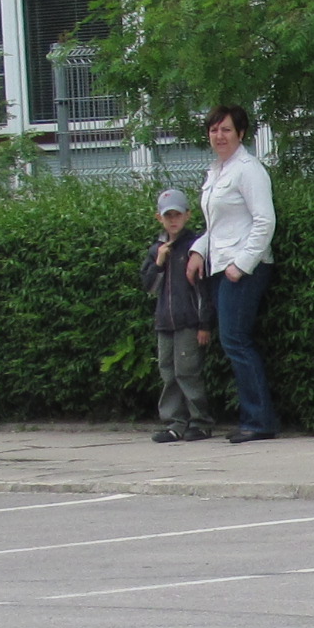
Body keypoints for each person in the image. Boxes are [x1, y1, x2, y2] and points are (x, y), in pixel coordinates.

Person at [192, 105, 277, 443]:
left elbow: (265, 221)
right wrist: (198, 250)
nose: (219, 136)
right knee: (233, 342)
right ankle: (252, 417)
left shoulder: (249, 170)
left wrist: (241, 265)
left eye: (226, 129)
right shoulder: (216, 171)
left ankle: (259, 421)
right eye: (214, 130)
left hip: (243, 269)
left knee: (236, 341)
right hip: (221, 266)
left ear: (240, 134)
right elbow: (216, 226)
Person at [142, 187, 212, 442]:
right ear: (159, 218)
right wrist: (159, 262)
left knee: (187, 371)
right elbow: (149, 286)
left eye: (177, 215)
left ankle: (200, 422)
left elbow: (204, 290)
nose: (173, 220)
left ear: (187, 215)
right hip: (164, 322)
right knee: (168, 373)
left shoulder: (194, 247)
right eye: (168, 215)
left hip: (189, 322)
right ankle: (175, 423)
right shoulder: (156, 250)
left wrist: (204, 324)